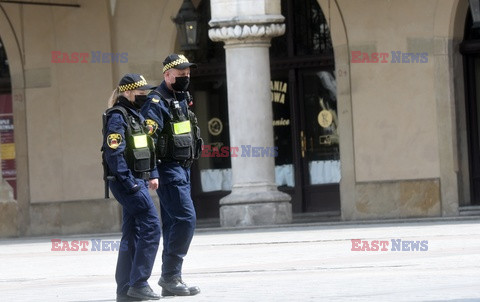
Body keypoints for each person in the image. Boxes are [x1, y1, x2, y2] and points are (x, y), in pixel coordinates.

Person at [141, 54, 202, 297]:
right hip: (168, 170)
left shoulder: (182, 97)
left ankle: (171, 278)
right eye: (180, 75)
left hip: (183, 168)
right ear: (167, 75)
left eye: (188, 74)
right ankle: (170, 276)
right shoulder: (156, 102)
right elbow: (148, 140)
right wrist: (152, 172)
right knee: (186, 219)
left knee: (172, 222)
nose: (185, 78)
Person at [102, 73, 162, 302]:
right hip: (128, 183)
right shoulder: (118, 116)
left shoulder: (134, 115)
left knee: (132, 232)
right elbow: (114, 153)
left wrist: (151, 174)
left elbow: (147, 147)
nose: (145, 95)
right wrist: (132, 184)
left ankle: (125, 289)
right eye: (141, 92)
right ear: (128, 92)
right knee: (152, 226)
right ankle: (139, 283)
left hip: (136, 181)